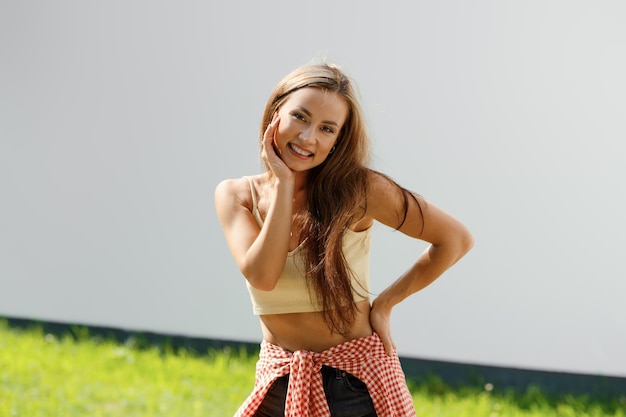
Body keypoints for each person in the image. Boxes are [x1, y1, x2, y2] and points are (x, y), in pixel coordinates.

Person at [214, 62, 474, 417]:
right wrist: (284, 184)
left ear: (338, 141)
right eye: (300, 117)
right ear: (276, 113)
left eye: (326, 129)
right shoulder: (236, 195)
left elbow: (455, 239)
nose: (308, 138)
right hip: (281, 378)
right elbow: (262, 276)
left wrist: (385, 304)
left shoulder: (361, 190)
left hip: (354, 381)